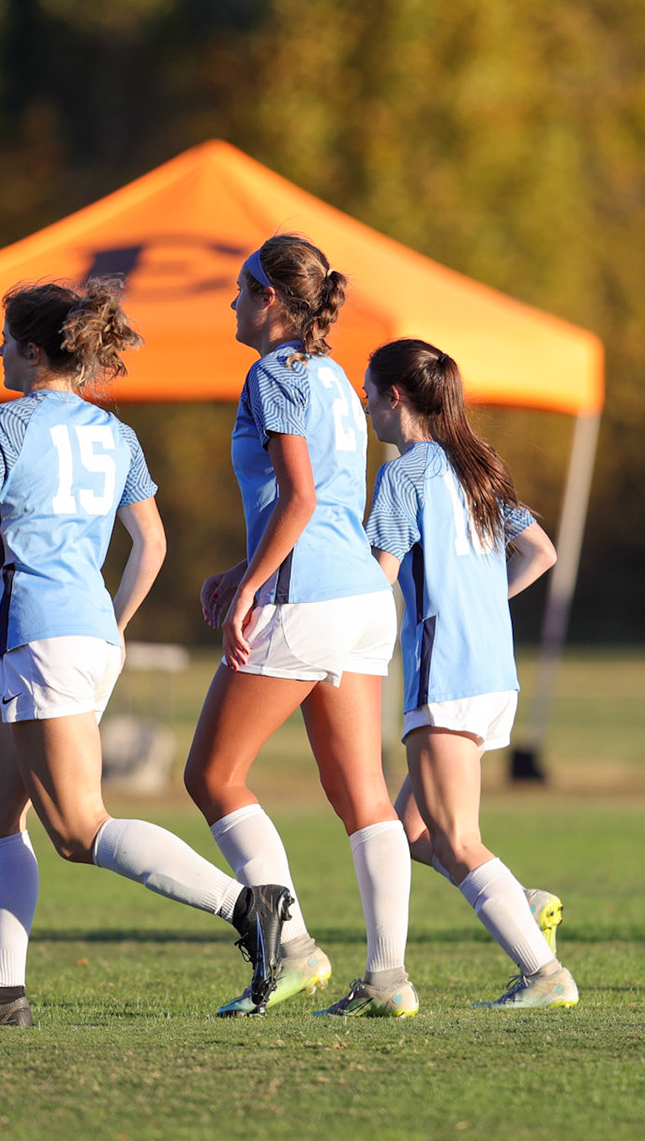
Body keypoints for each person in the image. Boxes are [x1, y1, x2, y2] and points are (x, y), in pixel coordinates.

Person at [0, 276, 291, 1028]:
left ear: (29, 350)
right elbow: (150, 543)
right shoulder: (115, 435)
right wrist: (114, 626)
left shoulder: (3, 425)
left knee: (78, 830)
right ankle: (0, 994)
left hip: (41, 638)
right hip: (86, 635)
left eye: (2, 340)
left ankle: (248, 906)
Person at [183, 235, 416, 1019]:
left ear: (272, 300)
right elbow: (319, 505)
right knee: (362, 794)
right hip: (359, 599)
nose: (233, 302)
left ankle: (292, 950)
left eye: (242, 289)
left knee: (212, 777)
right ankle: (388, 978)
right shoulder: (333, 379)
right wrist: (241, 567)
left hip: (306, 597)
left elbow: (302, 500)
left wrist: (250, 585)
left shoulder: (272, 372)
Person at [362, 339, 577, 1010]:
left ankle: (544, 974)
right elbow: (540, 551)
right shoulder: (476, 466)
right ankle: (515, 898)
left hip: (444, 670)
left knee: (455, 841)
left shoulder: (404, 475)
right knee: (410, 834)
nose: (367, 407)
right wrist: (483, 601)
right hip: (491, 671)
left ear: (395, 396)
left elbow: (380, 581)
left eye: (369, 393)